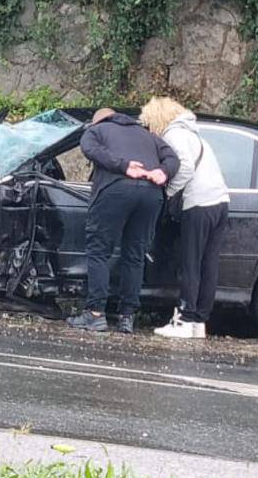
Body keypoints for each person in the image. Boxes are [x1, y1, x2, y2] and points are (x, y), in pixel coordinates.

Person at [67, 108, 180, 334]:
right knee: (135, 254)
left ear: (98, 121)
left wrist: (123, 165)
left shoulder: (96, 130)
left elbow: (89, 148)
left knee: (99, 251)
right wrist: (163, 172)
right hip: (151, 194)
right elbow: (173, 158)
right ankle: (126, 316)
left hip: (115, 190)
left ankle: (95, 314)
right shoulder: (148, 135)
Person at [140, 97, 229, 339]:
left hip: (198, 203)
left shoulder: (175, 135)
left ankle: (185, 319)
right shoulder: (195, 135)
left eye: (148, 124)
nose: (149, 130)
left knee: (191, 263)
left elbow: (185, 167)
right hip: (220, 202)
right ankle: (200, 321)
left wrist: (169, 192)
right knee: (208, 264)